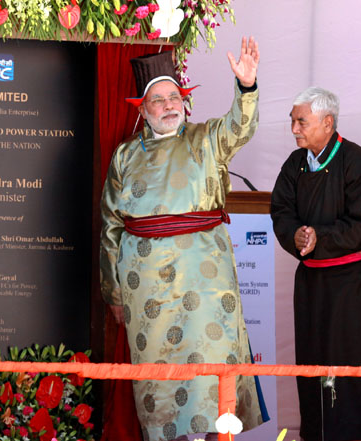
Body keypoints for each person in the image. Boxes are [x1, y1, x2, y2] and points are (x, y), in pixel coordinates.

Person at [100, 37, 264, 441]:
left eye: (176, 96)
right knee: (161, 383)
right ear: (142, 108)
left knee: (211, 378)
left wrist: (246, 87)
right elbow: (110, 226)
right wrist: (114, 293)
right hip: (147, 288)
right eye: (159, 100)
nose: (171, 105)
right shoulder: (124, 156)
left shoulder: (205, 139)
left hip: (205, 280)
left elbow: (240, 128)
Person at [271, 87, 361, 441]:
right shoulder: (294, 164)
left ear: (328, 123)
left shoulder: (357, 162)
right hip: (311, 282)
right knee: (312, 361)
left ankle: (357, 435)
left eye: (301, 121)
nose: (294, 128)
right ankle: (315, 433)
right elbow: (280, 210)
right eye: (292, 121)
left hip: (354, 283)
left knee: (353, 365)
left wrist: (317, 238)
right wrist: (296, 235)